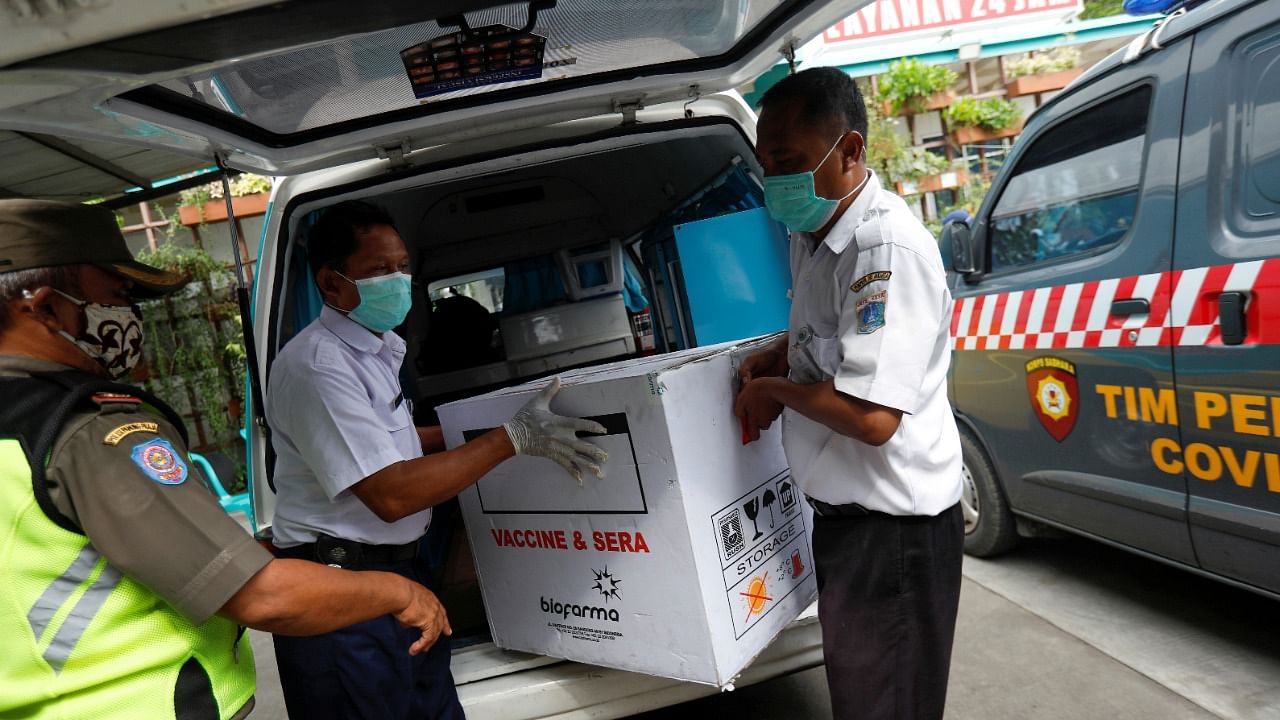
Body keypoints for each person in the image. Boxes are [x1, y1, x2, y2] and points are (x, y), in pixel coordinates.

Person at [0, 199, 453, 720]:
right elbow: (258, 594)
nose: (130, 315)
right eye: (118, 295)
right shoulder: (92, 429)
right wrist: (395, 591)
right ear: (40, 305)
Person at [266, 200, 607, 720]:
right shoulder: (318, 367)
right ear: (331, 284)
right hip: (344, 599)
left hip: (402, 584)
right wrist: (507, 438)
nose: (397, 280)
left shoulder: (374, 351)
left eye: (403, 267)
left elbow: (393, 442)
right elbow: (392, 494)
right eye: (380, 270)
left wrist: (473, 432)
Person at [734, 68, 964, 720]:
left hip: (895, 535)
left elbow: (872, 417)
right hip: (853, 528)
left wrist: (775, 390)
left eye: (790, 163)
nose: (777, 180)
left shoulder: (881, 248)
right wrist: (784, 349)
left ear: (852, 151)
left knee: (885, 708)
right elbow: (835, 337)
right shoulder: (816, 234)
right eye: (767, 164)